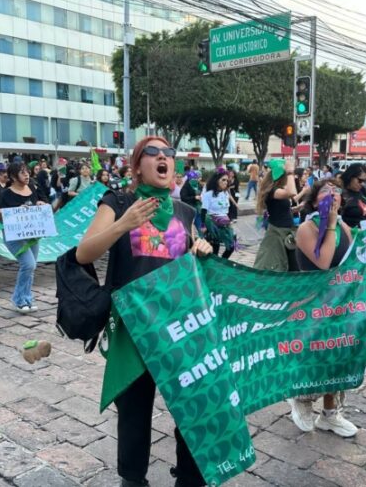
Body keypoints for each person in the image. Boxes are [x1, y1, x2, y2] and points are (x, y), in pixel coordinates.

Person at [76, 136, 213, 487]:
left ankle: (190, 477)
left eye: (169, 153)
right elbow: (84, 253)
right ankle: (133, 479)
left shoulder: (184, 212)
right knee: (135, 412)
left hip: (179, 324)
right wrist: (124, 223)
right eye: (153, 153)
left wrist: (199, 249)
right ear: (137, 166)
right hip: (134, 328)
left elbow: (186, 264)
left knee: (192, 402)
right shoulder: (118, 201)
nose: (163, 157)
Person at [287, 180, 358, 436]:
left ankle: (330, 414)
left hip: (338, 303)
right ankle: (301, 400)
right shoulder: (307, 228)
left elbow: (352, 262)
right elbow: (324, 263)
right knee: (313, 357)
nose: (332, 194)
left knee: (338, 357)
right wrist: (329, 224)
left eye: (336, 191)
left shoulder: (344, 228)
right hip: (311, 304)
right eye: (325, 191)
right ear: (315, 201)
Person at [0, 163, 45, 313]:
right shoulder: (5, 194)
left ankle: (27, 299)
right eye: (22, 173)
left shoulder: (32, 188)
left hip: (32, 234)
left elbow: (41, 204)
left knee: (31, 267)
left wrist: (40, 204)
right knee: (28, 264)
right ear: (13, 177)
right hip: (14, 236)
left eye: (27, 172)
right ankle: (18, 299)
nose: (27, 175)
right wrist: (15, 212)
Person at [254, 159, 307, 272]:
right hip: (277, 234)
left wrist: (294, 209)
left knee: (293, 268)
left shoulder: (278, 190)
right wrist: (290, 172)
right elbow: (292, 193)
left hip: (287, 232)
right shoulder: (273, 191)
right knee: (275, 268)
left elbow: (279, 209)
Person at [202, 171, 238, 259]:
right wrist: (203, 226)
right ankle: (216, 265)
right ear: (216, 180)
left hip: (225, 223)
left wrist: (229, 221)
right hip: (213, 224)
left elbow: (226, 210)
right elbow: (203, 211)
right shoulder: (208, 195)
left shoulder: (225, 193)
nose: (226, 182)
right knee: (215, 249)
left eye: (227, 180)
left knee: (232, 246)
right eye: (223, 180)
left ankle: (223, 261)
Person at [340, 163, 366, 232]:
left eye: (364, 181)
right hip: (349, 234)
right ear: (350, 177)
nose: (362, 184)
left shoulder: (362, 190)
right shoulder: (340, 193)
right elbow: (337, 221)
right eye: (360, 180)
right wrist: (356, 231)